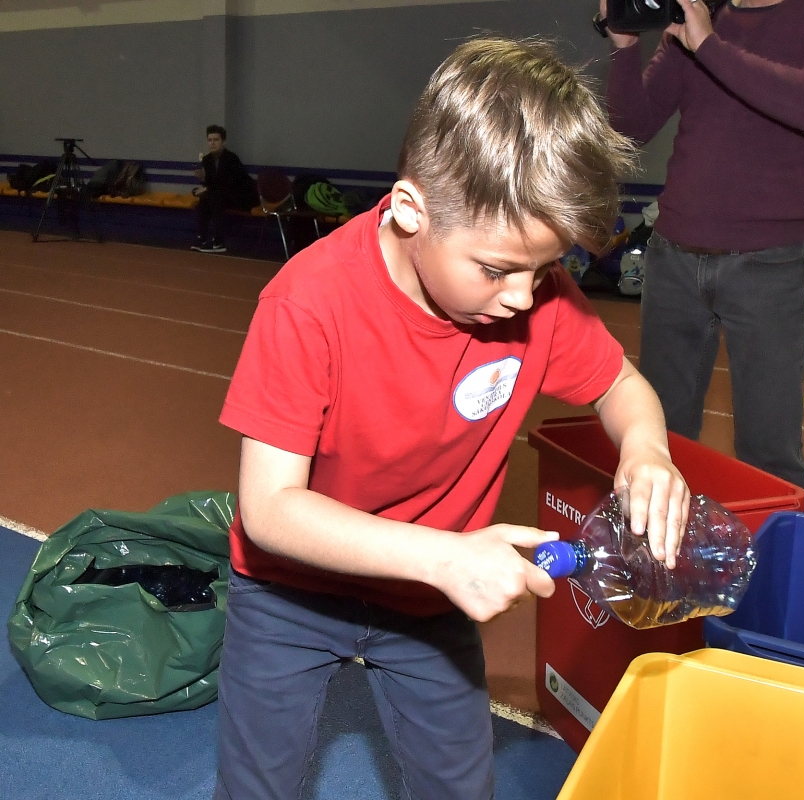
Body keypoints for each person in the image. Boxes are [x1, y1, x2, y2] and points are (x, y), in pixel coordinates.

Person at [213, 38, 691, 800]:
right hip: (289, 596)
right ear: (411, 210)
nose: (525, 297)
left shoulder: (535, 299)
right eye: (498, 269)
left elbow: (621, 385)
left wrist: (646, 450)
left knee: (462, 788)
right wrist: (442, 558)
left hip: (427, 603)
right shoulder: (308, 304)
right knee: (257, 789)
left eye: (546, 267)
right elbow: (269, 509)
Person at [602, 0, 804, 493]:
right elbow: (628, 130)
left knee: (769, 452)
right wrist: (624, 47)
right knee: (657, 438)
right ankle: (659, 544)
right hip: (674, 256)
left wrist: (708, 44)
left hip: (768, 262)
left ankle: (776, 544)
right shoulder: (701, 12)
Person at [192, 124, 258, 254]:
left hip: (240, 195)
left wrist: (208, 189)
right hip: (220, 195)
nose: (212, 143)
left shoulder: (232, 159)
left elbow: (232, 183)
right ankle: (202, 238)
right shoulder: (207, 160)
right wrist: (203, 180)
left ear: (223, 142)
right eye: (210, 140)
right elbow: (211, 183)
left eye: (216, 140)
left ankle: (219, 242)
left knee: (215, 198)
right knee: (203, 201)